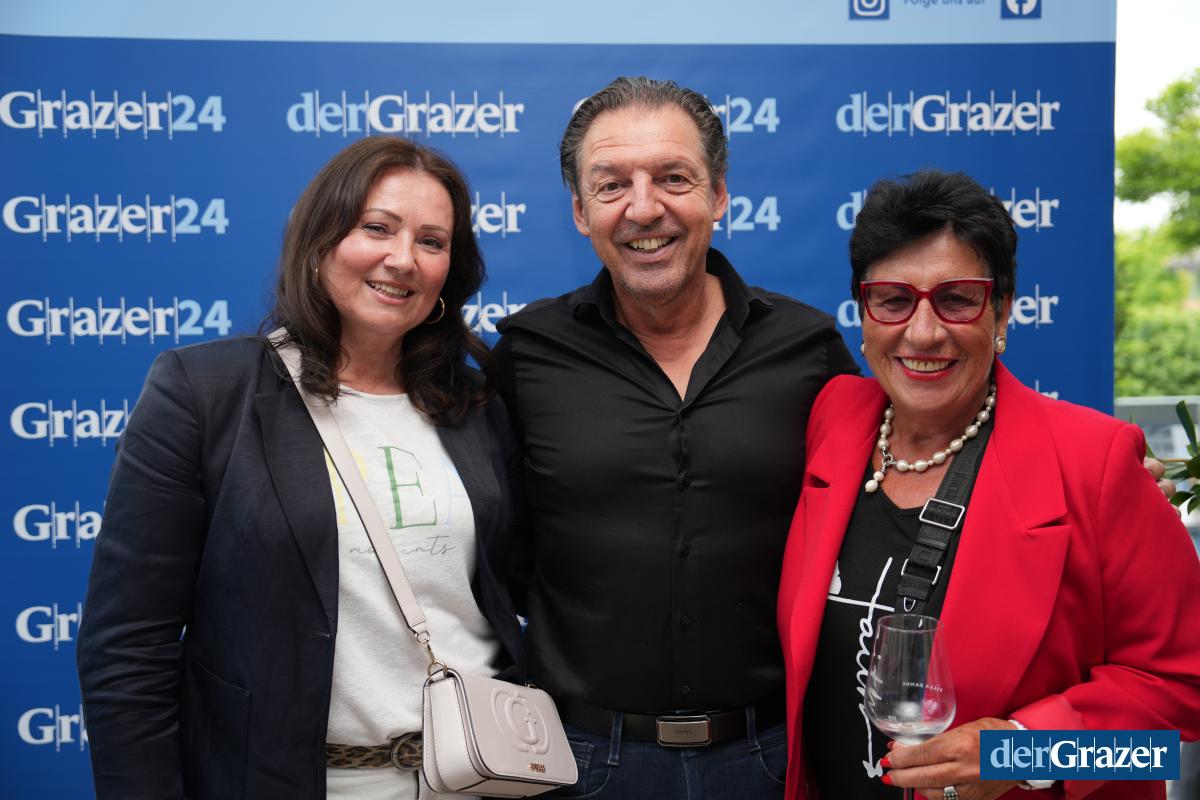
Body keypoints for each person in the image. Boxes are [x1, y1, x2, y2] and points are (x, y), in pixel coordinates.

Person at [76, 136, 525, 800]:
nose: (403, 259)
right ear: (318, 242)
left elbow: (518, 589)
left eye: (432, 242)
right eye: (377, 228)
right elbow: (126, 647)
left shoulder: (472, 403)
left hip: (477, 779)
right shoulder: (205, 394)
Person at [777, 169, 1200, 800]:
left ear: (1002, 310)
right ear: (863, 312)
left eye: (957, 299)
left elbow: (1184, 695)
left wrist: (1022, 751)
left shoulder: (1096, 462)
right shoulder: (831, 419)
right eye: (893, 299)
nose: (924, 332)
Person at [493, 76, 858, 797]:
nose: (643, 208)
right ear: (580, 212)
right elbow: (495, 549)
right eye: (611, 185)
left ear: (718, 196)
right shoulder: (527, 354)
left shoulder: (809, 350)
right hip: (578, 760)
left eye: (673, 178)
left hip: (771, 756)